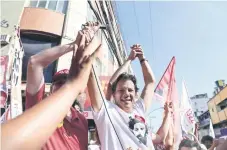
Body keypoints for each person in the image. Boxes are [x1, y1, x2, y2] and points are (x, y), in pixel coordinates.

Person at [1, 22, 102, 150]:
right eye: (59, 82)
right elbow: (35, 62)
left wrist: (89, 43)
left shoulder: (81, 119)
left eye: (68, 81)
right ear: (52, 88)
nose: (64, 85)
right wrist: (73, 45)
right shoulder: (39, 106)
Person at [87, 41, 156, 149]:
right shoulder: (106, 111)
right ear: (113, 94)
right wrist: (129, 60)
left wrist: (142, 58)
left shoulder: (139, 108)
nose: (126, 94)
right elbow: (109, 83)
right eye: (121, 90)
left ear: (136, 93)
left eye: (130, 90)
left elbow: (150, 82)